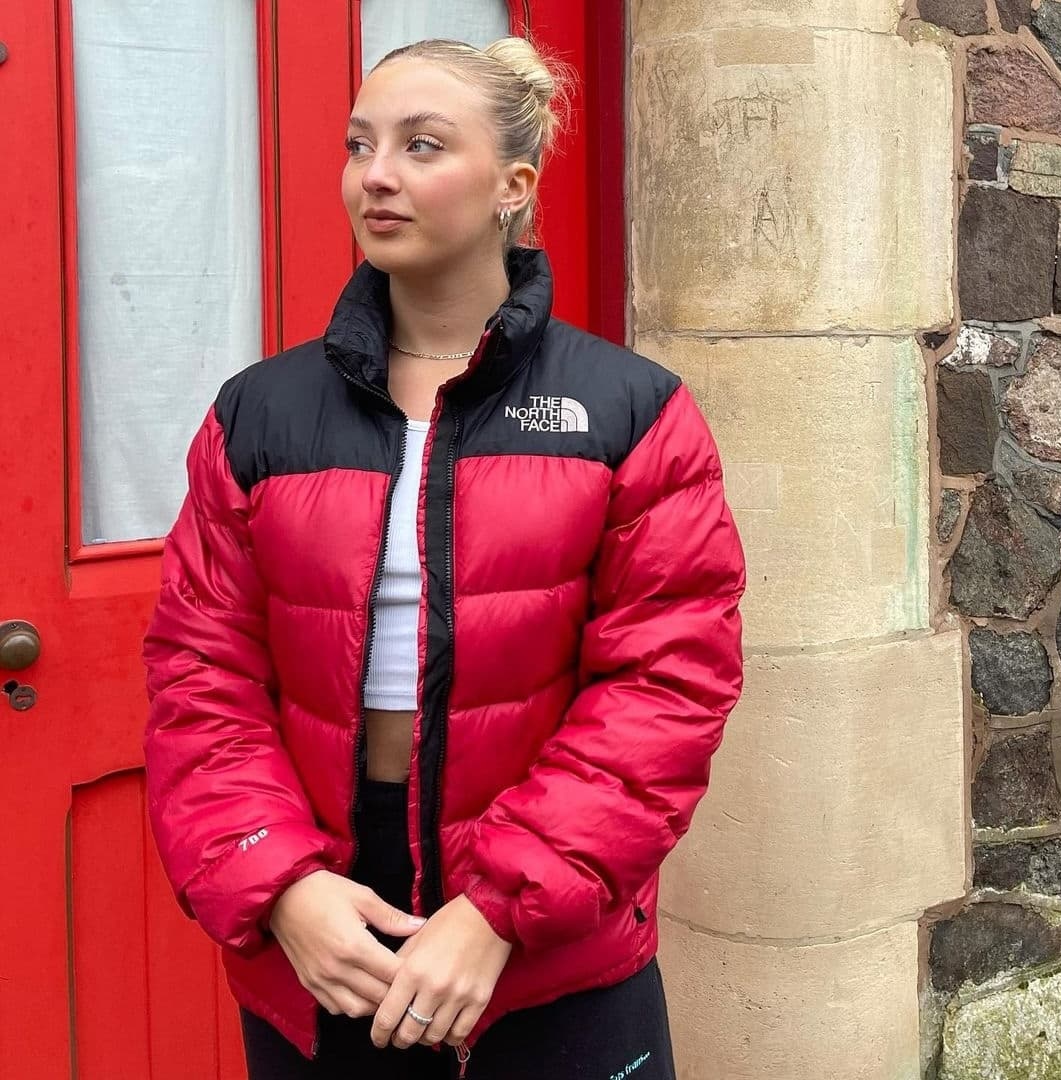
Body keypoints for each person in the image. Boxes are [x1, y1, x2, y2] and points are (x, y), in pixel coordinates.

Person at [142, 34, 745, 1080]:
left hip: (551, 937)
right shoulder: (258, 415)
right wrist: (279, 885)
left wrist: (502, 907)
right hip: (324, 924)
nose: (375, 175)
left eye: (421, 145)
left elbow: (667, 683)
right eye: (359, 144)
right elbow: (201, 673)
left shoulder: (630, 412)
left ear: (515, 186)